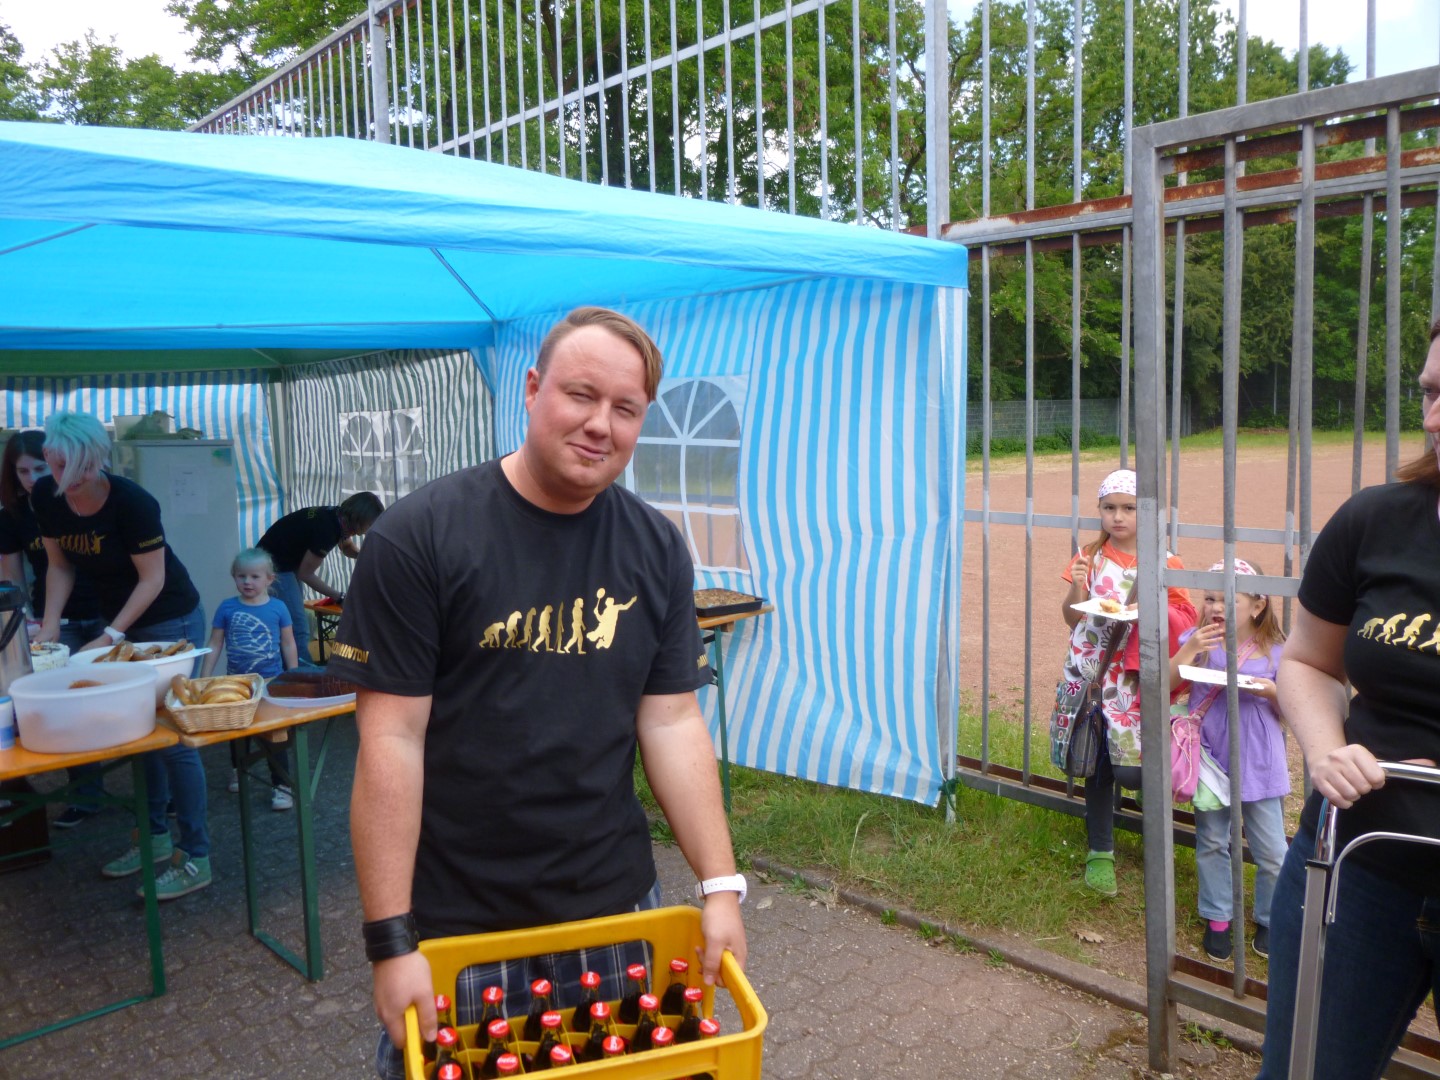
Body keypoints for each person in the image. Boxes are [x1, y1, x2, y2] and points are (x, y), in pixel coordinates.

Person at [328, 307, 747, 1080]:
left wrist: (720, 887)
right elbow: (391, 740)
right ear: (531, 389)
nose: (600, 424)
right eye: (581, 395)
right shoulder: (420, 537)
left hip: (617, 907)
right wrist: (390, 939)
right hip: (460, 923)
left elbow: (673, 722)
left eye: (625, 408)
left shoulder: (655, 546)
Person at [1258, 325, 1440, 1079]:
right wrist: (1326, 749)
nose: (1434, 417)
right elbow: (1305, 661)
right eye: (1431, 392)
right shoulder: (1374, 521)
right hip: (1356, 867)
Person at [30, 412, 213, 902]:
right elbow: (59, 566)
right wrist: (49, 624)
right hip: (119, 618)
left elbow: (153, 579)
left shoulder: (133, 502)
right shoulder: (46, 495)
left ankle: (196, 855)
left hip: (169, 618)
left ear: (99, 458)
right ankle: (154, 839)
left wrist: (111, 634)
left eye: (83, 468)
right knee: (138, 734)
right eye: (61, 467)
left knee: (174, 738)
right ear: (49, 457)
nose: (72, 479)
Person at [1056, 468, 1196, 896]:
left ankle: (1147, 818)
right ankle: (1100, 851)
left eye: (1129, 508)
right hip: (1092, 673)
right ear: (1100, 510)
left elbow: (1185, 617)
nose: (1118, 516)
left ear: (1146, 513)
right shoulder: (1089, 556)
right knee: (1097, 762)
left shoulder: (1166, 561)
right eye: (1110, 508)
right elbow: (1072, 619)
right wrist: (1077, 587)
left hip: (1135, 678)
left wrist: (1153, 612)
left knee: (1131, 770)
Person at [1167, 558, 1287, 963]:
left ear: (1257, 606)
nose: (1216, 607)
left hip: (1260, 759)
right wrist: (1189, 649)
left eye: (1228, 599)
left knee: (1272, 850)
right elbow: (1166, 683)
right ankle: (1218, 915)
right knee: (1213, 840)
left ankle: (1269, 917)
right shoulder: (1197, 640)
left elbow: (1292, 708)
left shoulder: (1278, 651)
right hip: (1210, 756)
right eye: (1210, 598)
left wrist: (1271, 691)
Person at [0, 430, 108, 827]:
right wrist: (26, 619)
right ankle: (86, 797)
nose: (32, 478)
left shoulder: (81, 497)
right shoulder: (12, 515)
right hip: (55, 620)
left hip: (107, 612)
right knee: (69, 710)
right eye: (22, 471)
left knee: (119, 699)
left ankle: (155, 796)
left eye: (40, 469)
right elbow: (11, 577)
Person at [200, 548, 299, 811]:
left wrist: (294, 675)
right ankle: (238, 770)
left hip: (271, 682)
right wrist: (204, 677)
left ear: (269, 579)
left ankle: (282, 785)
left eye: (255, 576)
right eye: (241, 576)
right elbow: (215, 643)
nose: (247, 582)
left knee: (275, 733)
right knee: (238, 732)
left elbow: (288, 643)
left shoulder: (279, 607)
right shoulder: (227, 607)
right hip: (237, 684)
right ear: (233, 576)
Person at [257, 492, 383, 665]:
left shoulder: (338, 517)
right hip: (273, 567)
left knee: (291, 624)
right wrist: (340, 597)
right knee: (297, 627)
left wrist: (366, 556)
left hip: (284, 563)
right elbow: (305, 574)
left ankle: (291, 670)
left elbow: (346, 547)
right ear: (359, 518)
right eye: (370, 524)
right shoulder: (326, 530)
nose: (371, 528)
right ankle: (301, 674)